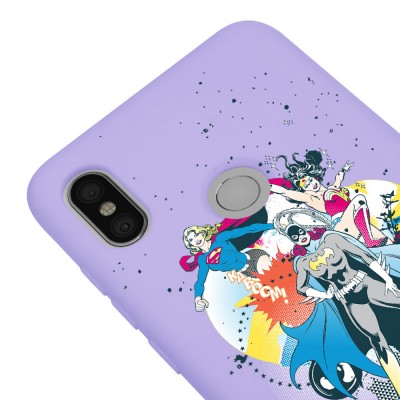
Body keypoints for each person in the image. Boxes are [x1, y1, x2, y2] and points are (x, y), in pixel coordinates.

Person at [285, 231, 400, 396]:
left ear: (305, 229)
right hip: (349, 299)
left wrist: (386, 278)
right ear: (293, 241)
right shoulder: (303, 263)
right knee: (377, 341)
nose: (300, 237)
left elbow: (363, 255)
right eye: (295, 237)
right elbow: (301, 288)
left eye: (300, 232)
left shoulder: (331, 239)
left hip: (365, 283)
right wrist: (324, 295)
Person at [271, 150, 391, 247]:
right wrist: (268, 186)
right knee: (359, 199)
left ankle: (369, 240)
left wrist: (344, 169)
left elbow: (338, 179)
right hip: (342, 224)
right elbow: (285, 192)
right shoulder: (311, 198)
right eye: (307, 186)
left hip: (358, 221)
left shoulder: (332, 189)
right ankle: (369, 240)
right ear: (304, 190)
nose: (312, 185)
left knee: (388, 242)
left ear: (314, 177)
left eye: (310, 180)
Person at [181, 221, 273, 311]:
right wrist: (198, 299)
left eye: (196, 235)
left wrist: (272, 225)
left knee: (271, 276)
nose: (196, 239)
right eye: (191, 240)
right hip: (247, 272)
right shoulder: (203, 259)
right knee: (270, 291)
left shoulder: (220, 238)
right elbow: (200, 282)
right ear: (190, 245)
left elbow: (248, 229)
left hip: (253, 258)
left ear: (202, 232)